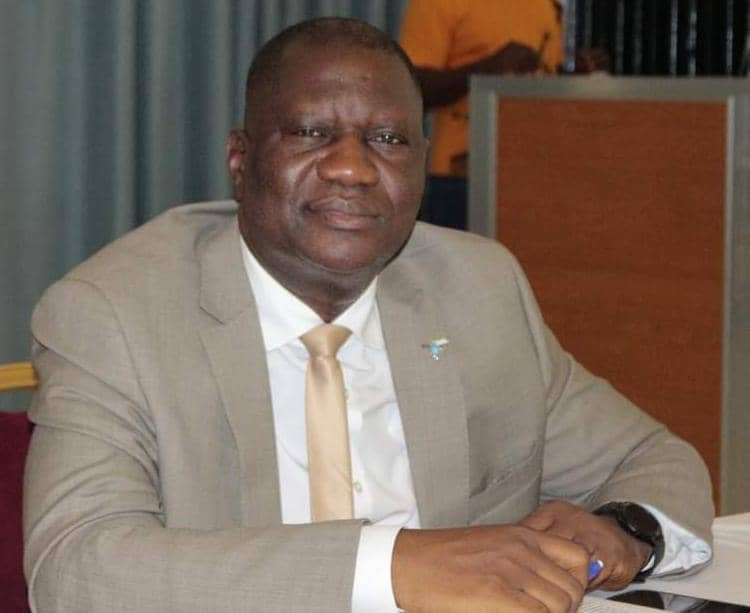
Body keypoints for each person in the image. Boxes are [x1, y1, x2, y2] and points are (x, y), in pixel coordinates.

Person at [24, 17, 712, 613]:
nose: (351, 169)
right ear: (240, 159)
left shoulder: (477, 291)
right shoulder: (116, 313)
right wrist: (394, 564)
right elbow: (76, 569)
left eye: (387, 139)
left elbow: (651, 457)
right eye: (311, 133)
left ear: (420, 167)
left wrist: (624, 529)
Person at [399, 0, 608, 230]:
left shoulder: (545, 5)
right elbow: (411, 88)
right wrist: (489, 68)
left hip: (538, 173)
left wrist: (573, 78)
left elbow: (538, 80)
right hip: (465, 178)